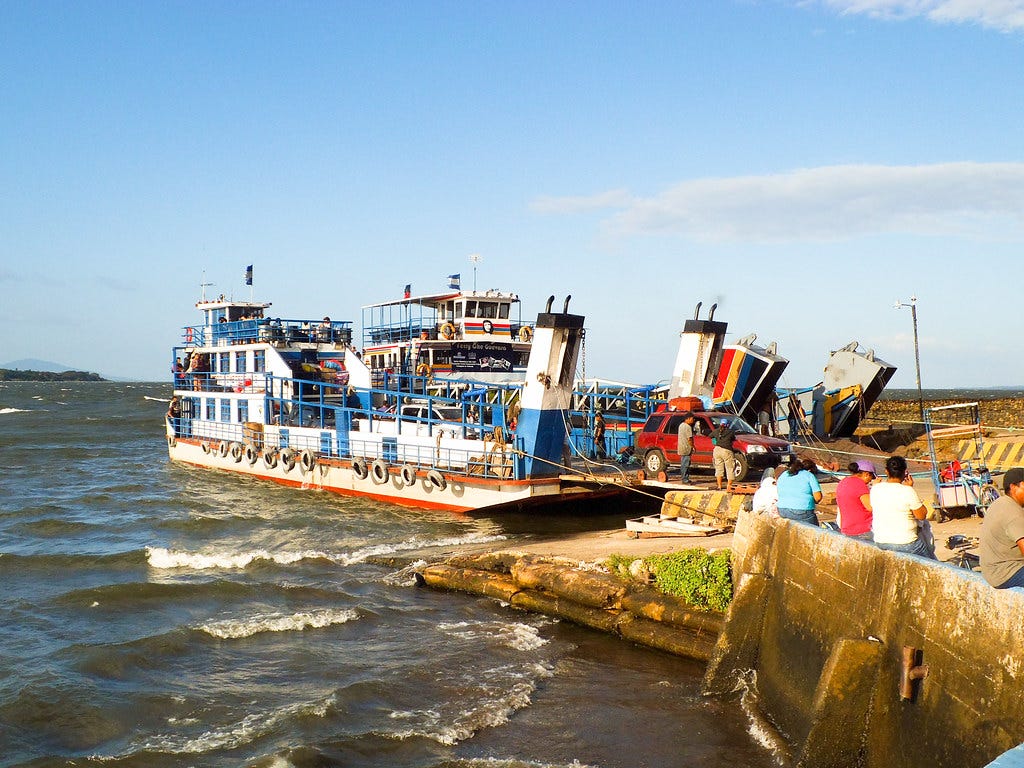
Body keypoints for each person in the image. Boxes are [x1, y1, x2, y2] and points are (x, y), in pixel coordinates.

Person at [870, 455, 936, 559]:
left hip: (881, 541)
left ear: (886, 471)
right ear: (905, 472)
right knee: (933, 563)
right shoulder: (907, 491)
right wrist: (910, 488)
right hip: (906, 542)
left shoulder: (875, 489)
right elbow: (921, 515)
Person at [979, 467, 1024, 588]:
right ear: (1013, 487)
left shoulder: (1001, 503)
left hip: (993, 570)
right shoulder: (1013, 513)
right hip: (1006, 572)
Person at [836, 459, 876, 541]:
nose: (870, 481)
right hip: (863, 529)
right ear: (866, 474)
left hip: (846, 528)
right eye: (871, 477)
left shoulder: (843, 482)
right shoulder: (860, 484)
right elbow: (870, 507)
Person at [776, 458, 823, 525]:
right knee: (814, 531)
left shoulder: (784, 474)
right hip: (802, 510)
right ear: (810, 470)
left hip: (782, 509)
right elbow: (818, 497)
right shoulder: (809, 475)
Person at [710, 419, 737, 492]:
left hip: (717, 450)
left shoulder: (716, 431)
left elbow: (710, 436)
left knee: (719, 468)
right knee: (730, 468)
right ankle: (729, 486)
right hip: (727, 450)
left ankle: (719, 486)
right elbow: (734, 439)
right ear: (727, 425)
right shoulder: (730, 432)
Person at [677, 411, 696, 483]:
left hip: (681, 447)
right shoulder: (688, 427)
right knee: (686, 464)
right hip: (686, 448)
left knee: (683, 463)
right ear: (688, 419)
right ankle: (685, 479)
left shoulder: (681, 425)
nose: (693, 420)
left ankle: (684, 478)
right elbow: (689, 439)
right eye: (692, 418)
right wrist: (693, 446)